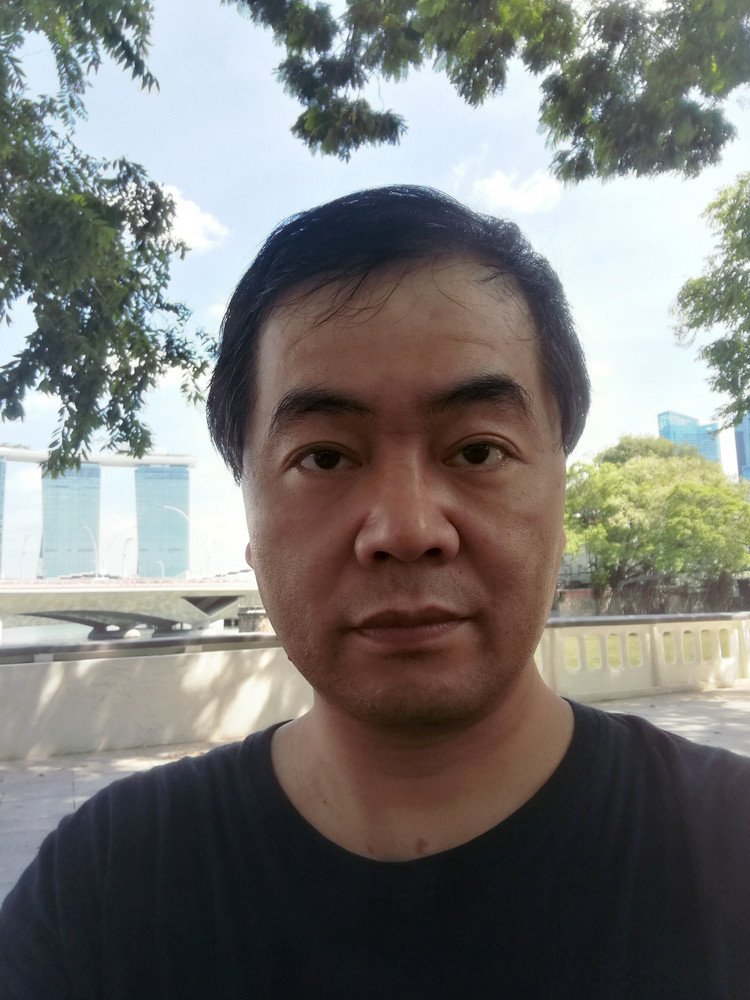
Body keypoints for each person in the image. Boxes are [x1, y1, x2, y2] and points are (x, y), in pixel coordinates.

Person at [1, 185, 749, 998]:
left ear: (559, 497)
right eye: (323, 457)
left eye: (478, 451)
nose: (406, 527)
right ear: (250, 521)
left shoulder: (729, 841)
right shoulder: (103, 887)